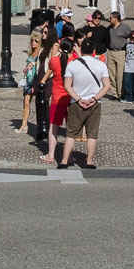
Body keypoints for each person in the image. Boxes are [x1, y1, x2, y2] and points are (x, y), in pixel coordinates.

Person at [63, 38, 109, 170]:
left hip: (76, 103)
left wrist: (78, 99)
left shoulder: (72, 64)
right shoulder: (101, 65)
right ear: (94, 51)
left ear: (81, 50)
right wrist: (94, 98)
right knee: (92, 134)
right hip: (94, 103)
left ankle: (65, 161)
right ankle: (89, 162)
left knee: (71, 133)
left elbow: (67, 85)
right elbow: (106, 86)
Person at [38, 37, 75, 165]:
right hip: (71, 97)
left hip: (57, 97)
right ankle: (68, 156)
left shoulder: (54, 60)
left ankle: (51, 154)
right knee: (70, 129)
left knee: (54, 127)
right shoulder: (74, 61)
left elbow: (52, 66)